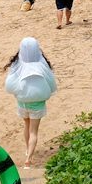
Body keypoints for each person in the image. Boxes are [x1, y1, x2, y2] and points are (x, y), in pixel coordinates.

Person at [4, 37, 57, 168]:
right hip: (37, 104)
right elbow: (52, 84)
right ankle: (28, 159)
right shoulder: (42, 63)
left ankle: (28, 149)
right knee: (34, 131)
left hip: (23, 102)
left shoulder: (18, 64)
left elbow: (10, 85)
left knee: (26, 126)